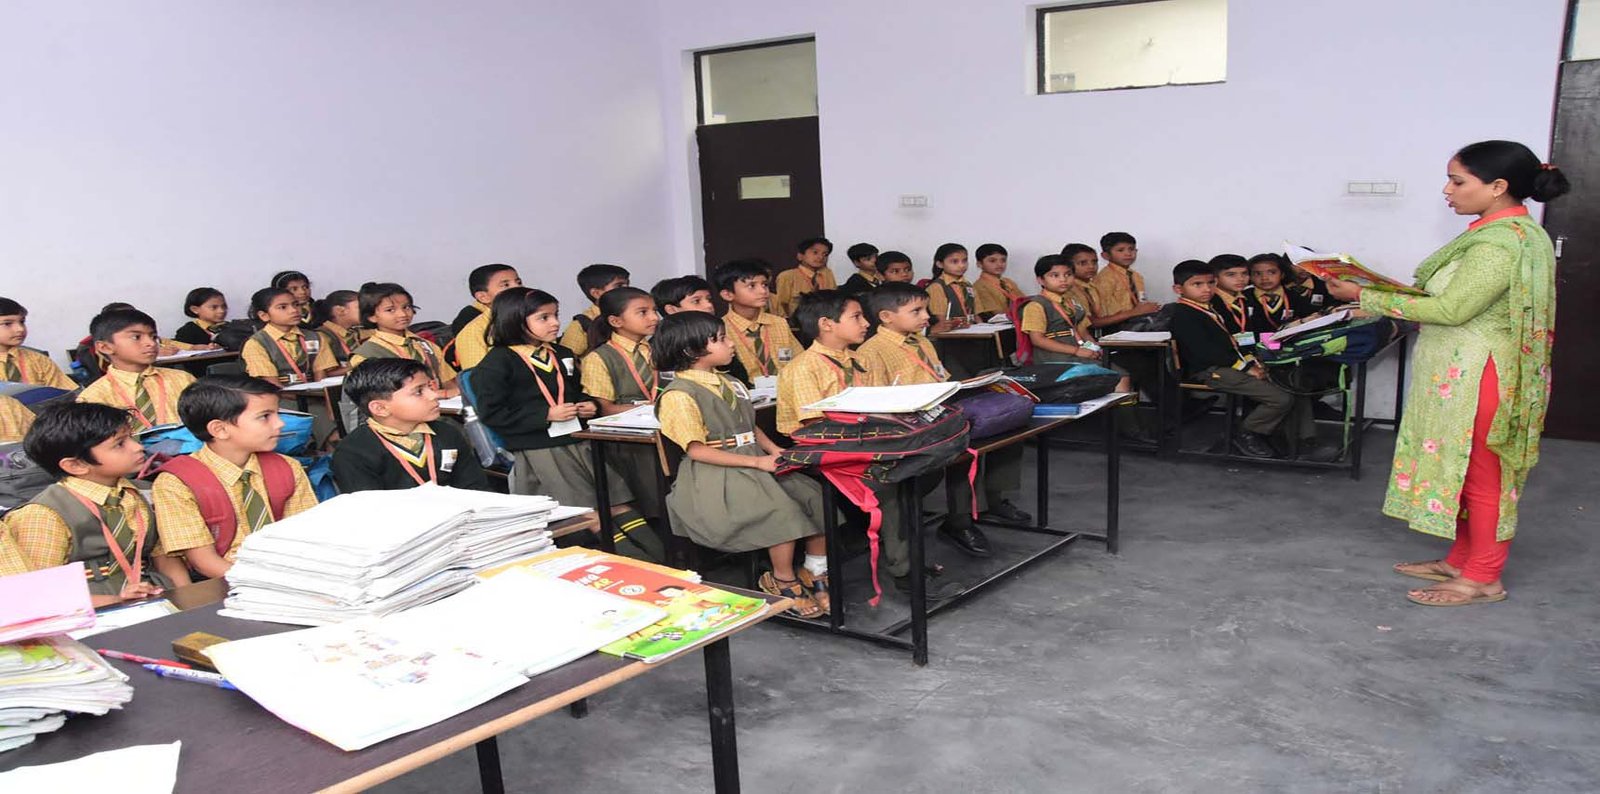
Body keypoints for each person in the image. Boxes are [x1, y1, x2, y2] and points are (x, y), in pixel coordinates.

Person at [1325, 140, 1565, 607]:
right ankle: (1461, 560)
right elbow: (1447, 298)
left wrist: (1364, 297)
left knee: (1483, 477)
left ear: (1497, 187)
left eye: (1458, 181)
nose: (1447, 190)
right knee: (1463, 470)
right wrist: (1375, 290)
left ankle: (1483, 578)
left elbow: (1453, 309)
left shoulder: (1499, 243)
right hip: (1465, 370)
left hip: (1480, 376)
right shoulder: (1499, 231)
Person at [652, 311, 830, 618]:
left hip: (752, 460)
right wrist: (759, 462)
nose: (731, 344)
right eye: (721, 339)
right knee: (779, 510)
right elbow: (697, 451)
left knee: (812, 495)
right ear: (691, 350)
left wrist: (774, 450)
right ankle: (781, 579)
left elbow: (748, 425)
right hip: (715, 474)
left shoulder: (731, 382)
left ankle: (814, 568)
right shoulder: (678, 395)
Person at [472, 287, 657, 548]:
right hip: (541, 449)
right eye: (544, 317)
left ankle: (661, 559)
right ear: (515, 320)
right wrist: (546, 414)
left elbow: (575, 392)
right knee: (588, 513)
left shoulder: (561, 354)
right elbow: (492, 413)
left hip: (577, 440)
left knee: (617, 502)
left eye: (556, 315)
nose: (555, 323)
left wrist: (588, 404)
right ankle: (636, 562)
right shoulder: (497, 362)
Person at [858, 282, 1032, 546]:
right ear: (886, 316)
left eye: (925, 309)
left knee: (1008, 423)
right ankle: (960, 521)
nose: (927, 317)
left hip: (940, 409)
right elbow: (877, 403)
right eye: (916, 311)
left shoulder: (921, 341)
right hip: (910, 422)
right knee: (960, 442)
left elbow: (940, 377)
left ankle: (995, 498)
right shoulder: (872, 352)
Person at [6, 402, 185, 602]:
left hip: (156, 600)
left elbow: (166, 560)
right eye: (119, 444)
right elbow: (38, 594)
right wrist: (117, 601)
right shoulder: (43, 514)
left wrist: (188, 600)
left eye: (131, 437)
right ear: (76, 465)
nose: (138, 447)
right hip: (92, 612)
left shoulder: (142, 492)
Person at [152, 376, 319, 580]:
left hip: (290, 573)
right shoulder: (176, 483)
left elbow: (306, 537)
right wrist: (269, 583)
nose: (280, 423)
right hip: (224, 581)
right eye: (265, 416)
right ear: (220, 429)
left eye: (278, 413)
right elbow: (204, 562)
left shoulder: (287, 467)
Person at [1169, 260, 1323, 460]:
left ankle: (1302, 440)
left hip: (1229, 364)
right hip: (1210, 370)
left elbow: (1234, 342)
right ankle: (1246, 433)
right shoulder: (1184, 314)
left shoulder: (1207, 308)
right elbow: (1206, 352)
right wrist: (1245, 367)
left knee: (1292, 385)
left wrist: (1252, 361)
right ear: (1178, 289)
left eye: (1210, 283)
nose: (1206, 289)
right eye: (1197, 284)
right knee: (1280, 398)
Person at [332, 358, 487, 492]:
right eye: (418, 392)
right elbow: (370, 509)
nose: (434, 395)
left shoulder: (447, 433)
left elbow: (475, 487)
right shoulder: (353, 453)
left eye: (430, 387)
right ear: (380, 408)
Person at [580, 286, 665, 518]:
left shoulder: (658, 349)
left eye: (654, 311)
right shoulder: (599, 358)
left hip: (665, 430)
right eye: (643, 312)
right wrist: (650, 407)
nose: (654, 318)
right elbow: (606, 409)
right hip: (631, 442)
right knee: (652, 499)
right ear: (616, 321)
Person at [76, 308, 196, 430]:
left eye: (153, 337)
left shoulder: (183, 379)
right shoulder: (92, 398)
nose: (151, 343)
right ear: (105, 347)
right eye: (136, 337)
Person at [349, 282, 459, 397]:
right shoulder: (366, 355)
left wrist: (452, 392)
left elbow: (448, 382)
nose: (402, 314)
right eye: (390, 310)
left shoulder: (426, 345)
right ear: (371, 317)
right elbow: (376, 397)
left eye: (406, 307)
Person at [717, 259, 800, 384]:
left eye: (764, 284)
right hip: (747, 392)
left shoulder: (779, 323)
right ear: (728, 294)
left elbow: (799, 360)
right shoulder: (721, 330)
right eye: (752, 286)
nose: (763, 291)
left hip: (786, 388)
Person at [653, 275, 747, 384]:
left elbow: (739, 377)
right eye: (696, 301)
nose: (708, 305)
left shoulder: (716, 334)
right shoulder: (662, 345)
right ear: (672, 309)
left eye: (709, 299)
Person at [240, 287, 336, 386]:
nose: (294, 310)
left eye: (296, 304)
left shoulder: (315, 337)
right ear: (264, 315)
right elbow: (271, 384)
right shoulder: (256, 344)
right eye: (283, 307)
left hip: (315, 392)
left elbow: (321, 378)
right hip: (279, 394)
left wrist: (318, 393)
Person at [452, 264, 524, 370]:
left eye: (518, 282)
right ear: (483, 297)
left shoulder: (528, 316)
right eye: (506, 285)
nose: (518, 288)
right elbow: (477, 376)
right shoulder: (472, 330)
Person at [1088, 232, 1161, 331]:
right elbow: (1102, 315)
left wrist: (1148, 308)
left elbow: (1142, 300)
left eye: (1131, 249)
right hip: (1116, 326)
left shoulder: (1136, 276)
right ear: (1106, 255)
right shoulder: (1104, 279)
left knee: (1172, 310)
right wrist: (1135, 312)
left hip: (1138, 319)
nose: (1128, 253)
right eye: (1120, 250)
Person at [0, 298, 77, 389]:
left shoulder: (38, 360)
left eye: (22, 322)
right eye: (7, 324)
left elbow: (67, 392)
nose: (20, 329)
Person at [561, 264, 631, 356]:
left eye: (627, 284)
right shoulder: (582, 324)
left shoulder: (630, 315)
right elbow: (568, 358)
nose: (627, 289)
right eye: (619, 286)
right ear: (596, 293)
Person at [1246, 254, 1316, 332]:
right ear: (1249, 276)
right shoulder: (1243, 298)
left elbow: (1310, 319)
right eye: (1257, 273)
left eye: (1272, 272)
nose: (1264, 278)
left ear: (1282, 274)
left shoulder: (1294, 296)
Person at [771, 237, 837, 317]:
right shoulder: (787, 276)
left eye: (825, 254)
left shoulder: (827, 274)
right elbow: (780, 306)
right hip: (797, 322)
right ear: (800, 256)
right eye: (815, 252)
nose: (821, 257)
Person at [310, 290, 364, 373]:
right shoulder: (322, 336)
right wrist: (361, 365)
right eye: (361, 307)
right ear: (340, 310)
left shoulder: (354, 332)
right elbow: (327, 374)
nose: (367, 312)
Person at [1208, 254, 1259, 340]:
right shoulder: (1209, 301)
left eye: (1244, 273)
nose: (1240, 279)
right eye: (1231, 274)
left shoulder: (1247, 297)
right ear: (1214, 278)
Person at [973, 242, 1025, 319]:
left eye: (1003, 260)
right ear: (979, 264)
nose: (999, 264)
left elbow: (1024, 302)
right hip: (1000, 323)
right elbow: (994, 313)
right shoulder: (979, 286)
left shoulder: (1008, 282)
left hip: (1018, 319)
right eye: (992, 261)